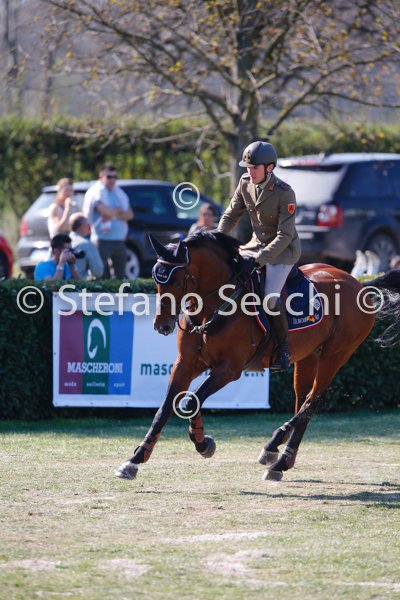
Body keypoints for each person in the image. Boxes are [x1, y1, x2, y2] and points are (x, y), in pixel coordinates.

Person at [218, 141, 301, 371]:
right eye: (247, 167)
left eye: (254, 168)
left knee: (269, 299)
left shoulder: (285, 193)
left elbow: (285, 235)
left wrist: (260, 259)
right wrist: (217, 239)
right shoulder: (245, 183)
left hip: (283, 252)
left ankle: (283, 350)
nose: (249, 172)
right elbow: (230, 215)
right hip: (255, 245)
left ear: (270, 167)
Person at [83, 164, 133, 279]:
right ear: (101, 177)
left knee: (120, 277)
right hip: (101, 240)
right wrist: (120, 212)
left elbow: (130, 214)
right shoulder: (95, 192)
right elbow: (104, 211)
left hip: (119, 239)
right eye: (109, 177)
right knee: (100, 276)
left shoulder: (119, 193)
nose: (112, 180)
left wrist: (112, 214)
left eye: (114, 177)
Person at [69, 212, 104, 280]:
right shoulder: (87, 244)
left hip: (58, 283)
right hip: (78, 284)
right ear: (81, 227)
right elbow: (98, 272)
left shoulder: (60, 241)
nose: (89, 226)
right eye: (87, 224)